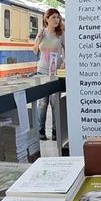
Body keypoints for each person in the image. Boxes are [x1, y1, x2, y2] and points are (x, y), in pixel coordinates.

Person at [33, 8, 65, 140]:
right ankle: (40, 130)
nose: (56, 20)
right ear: (47, 19)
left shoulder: (61, 34)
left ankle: (55, 131)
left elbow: (67, 49)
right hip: (42, 71)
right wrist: (38, 39)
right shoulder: (41, 32)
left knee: (54, 102)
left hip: (56, 71)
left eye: (58, 17)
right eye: (53, 17)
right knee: (43, 102)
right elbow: (35, 51)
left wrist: (65, 62)